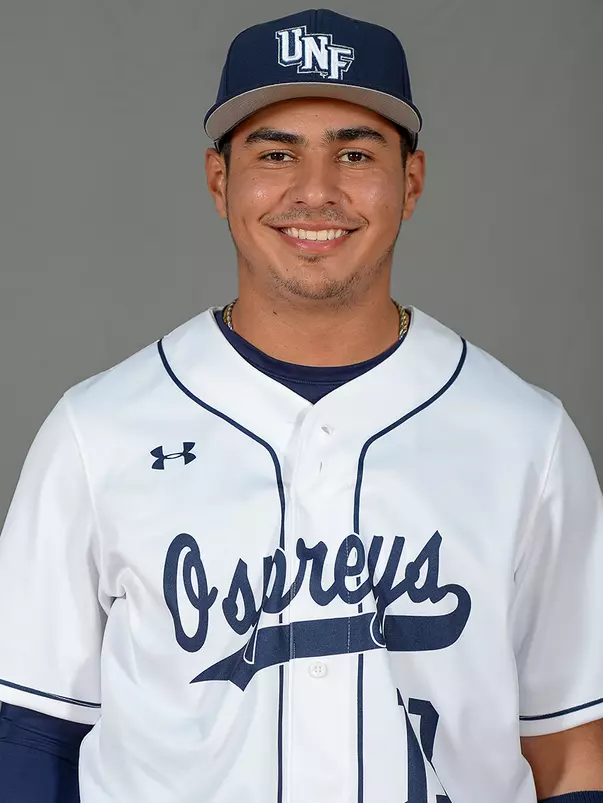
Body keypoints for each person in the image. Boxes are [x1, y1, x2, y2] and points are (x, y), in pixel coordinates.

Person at [0, 8, 602, 803]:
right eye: (275, 153)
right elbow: (29, 735)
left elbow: (571, 747)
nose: (315, 191)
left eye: (355, 153)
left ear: (410, 181)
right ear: (219, 181)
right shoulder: (97, 431)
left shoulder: (526, 438)